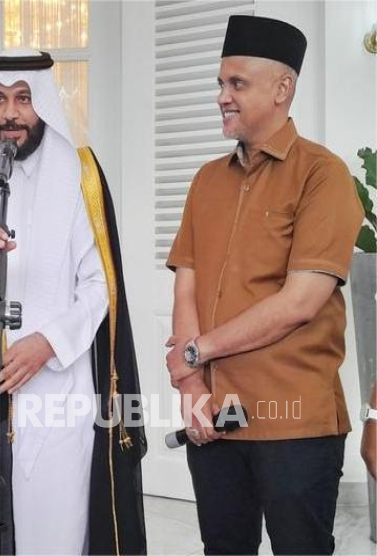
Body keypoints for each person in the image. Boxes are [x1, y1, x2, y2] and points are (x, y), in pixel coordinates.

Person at [0, 48, 146, 555]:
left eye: (23, 99)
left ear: (42, 103)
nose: (10, 114)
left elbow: (99, 285)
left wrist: (48, 343)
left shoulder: (81, 173)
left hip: (60, 389)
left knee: (57, 532)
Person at [165, 15, 364, 555]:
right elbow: (188, 284)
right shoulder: (207, 180)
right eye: (220, 83)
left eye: (237, 84)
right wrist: (191, 387)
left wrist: (194, 350)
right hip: (214, 418)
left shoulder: (323, 175)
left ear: (282, 89)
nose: (221, 97)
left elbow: (301, 302)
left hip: (294, 423)